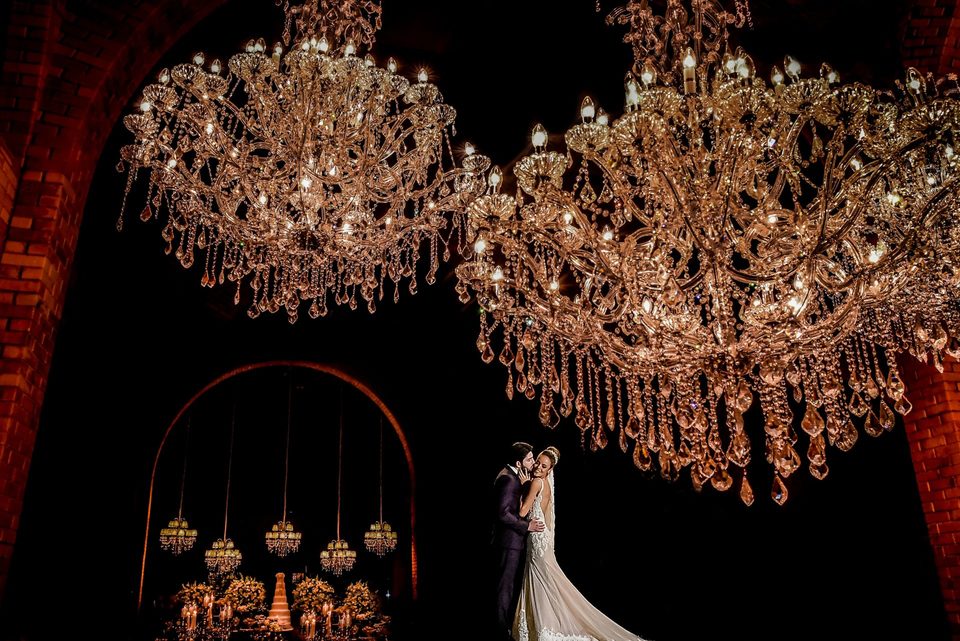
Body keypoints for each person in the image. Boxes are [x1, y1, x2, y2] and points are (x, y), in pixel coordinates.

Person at [513, 447, 649, 641]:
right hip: (543, 537)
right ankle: (541, 624)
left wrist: (521, 487)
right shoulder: (546, 484)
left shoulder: (536, 482)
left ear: (549, 470)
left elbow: (522, 512)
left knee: (542, 581)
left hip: (536, 538)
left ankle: (544, 626)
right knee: (545, 581)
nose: (537, 467)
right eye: (537, 463)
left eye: (543, 466)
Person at [492, 441, 546, 641]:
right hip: (509, 542)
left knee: (508, 587)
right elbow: (504, 514)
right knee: (504, 588)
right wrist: (526, 526)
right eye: (530, 459)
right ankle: (501, 632)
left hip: (511, 542)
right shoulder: (509, 479)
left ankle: (505, 626)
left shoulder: (514, 476)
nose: (533, 463)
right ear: (518, 462)